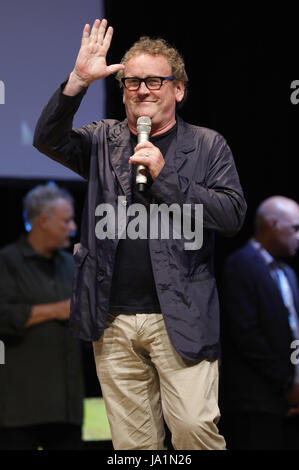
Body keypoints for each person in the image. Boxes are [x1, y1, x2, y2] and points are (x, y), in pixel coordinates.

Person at [33, 18, 246, 450]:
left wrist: (166, 178)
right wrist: (77, 82)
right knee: (133, 447)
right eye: (132, 82)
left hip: (181, 317)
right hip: (110, 318)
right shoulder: (103, 140)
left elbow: (231, 215)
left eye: (153, 80)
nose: (142, 90)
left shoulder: (207, 146)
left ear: (178, 89)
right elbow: (47, 140)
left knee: (193, 431)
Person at [0, 183, 85, 450]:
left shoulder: (72, 264)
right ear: (44, 221)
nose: (73, 227)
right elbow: (3, 316)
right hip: (21, 410)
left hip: (68, 407)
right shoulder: (7, 261)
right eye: (67, 220)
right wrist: (57, 310)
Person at [219, 196, 299, 449]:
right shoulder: (240, 265)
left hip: (288, 400)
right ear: (273, 225)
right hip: (255, 402)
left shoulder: (288, 272)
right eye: (295, 228)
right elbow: (246, 336)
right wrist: (286, 384)